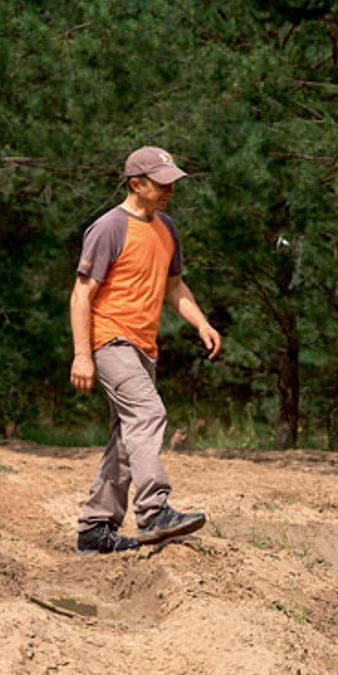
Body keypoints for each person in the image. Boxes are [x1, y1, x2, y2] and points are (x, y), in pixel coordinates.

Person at [70, 146, 223, 554]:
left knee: (127, 435)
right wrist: (82, 354)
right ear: (136, 184)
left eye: (173, 181)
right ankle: (154, 512)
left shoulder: (166, 228)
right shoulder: (108, 228)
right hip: (110, 339)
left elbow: (174, 287)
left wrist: (202, 322)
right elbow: (82, 295)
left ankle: (95, 527)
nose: (170, 190)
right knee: (149, 413)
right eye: (162, 183)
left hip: (143, 346)